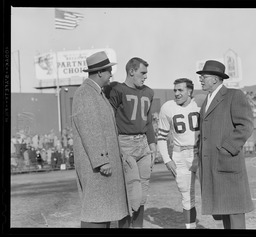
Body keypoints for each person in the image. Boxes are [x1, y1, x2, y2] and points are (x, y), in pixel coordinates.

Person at [72, 51, 131, 228]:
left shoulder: (96, 93)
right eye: (108, 71)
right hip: (98, 166)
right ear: (99, 72)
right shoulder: (85, 93)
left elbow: (105, 130)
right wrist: (102, 160)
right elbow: (90, 129)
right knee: (95, 211)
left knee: (103, 211)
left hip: (103, 164)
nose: (111, 75)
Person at [196, 60, 254, 229]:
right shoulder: (207, 100)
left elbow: (246, 126)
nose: (200, 80)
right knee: (224, 211)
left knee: (235, 211)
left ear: (215, 79)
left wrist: (227, 149)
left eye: (204, 77)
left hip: (227, 162)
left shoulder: (234, 95)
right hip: (213, 165)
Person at [109, 57, 156, 228]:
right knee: (130, 193)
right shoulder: (117, 90)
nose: (145, 77)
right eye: (142, 73)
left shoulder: (148, 92)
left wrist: (152, 144)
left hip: (143, 143)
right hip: (125, 143)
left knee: (142, 194)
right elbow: (109, 121)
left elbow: (148, 121)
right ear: (131, 71)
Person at [157, 78, 203, 229]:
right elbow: (161, 137)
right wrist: (166, 159)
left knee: (212, 191)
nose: (176, 93)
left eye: (180, 90)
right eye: (175, 90)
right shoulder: (168, 108)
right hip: (180, 155)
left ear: (190, 91)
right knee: (187, 197)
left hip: (200, 154)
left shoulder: (201, 104)